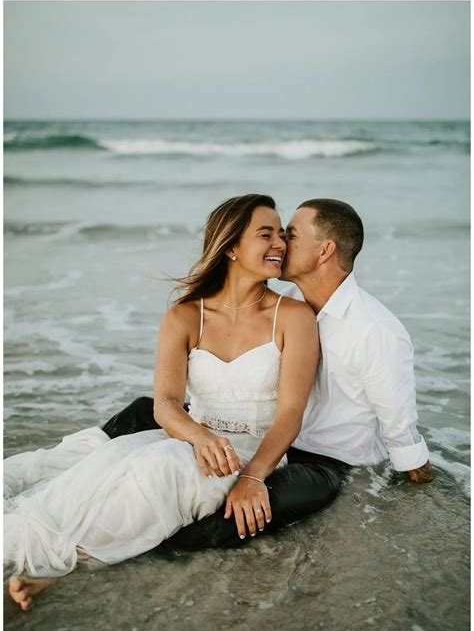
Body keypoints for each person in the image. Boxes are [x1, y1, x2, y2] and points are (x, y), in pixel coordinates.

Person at [5, 194, 320, 610]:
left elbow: (291, 414)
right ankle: (40, 555)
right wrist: (199, 438)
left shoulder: (295, 317)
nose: (280, 243)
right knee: (103, 471)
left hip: (253, 452)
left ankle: (60, 569)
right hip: (196, 440)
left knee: (159, 470)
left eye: (282, 234)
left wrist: (253, 477)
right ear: (230, 246)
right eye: (266, 234)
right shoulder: (185, 316)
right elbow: (167, 405)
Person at [100, 197, 434, 553]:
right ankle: (84, 480)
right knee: (142, 410)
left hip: (324, 461)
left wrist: (424, 488)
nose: (280, 244)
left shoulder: (375, 330)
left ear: (324, 251)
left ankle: (125, 547)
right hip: (267, 437)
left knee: (240, 512)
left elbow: (399, 426)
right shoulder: (288, 299)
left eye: (290, 234)